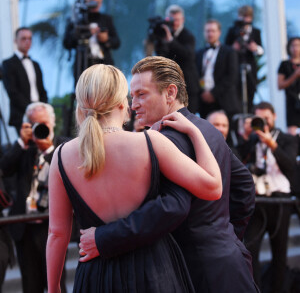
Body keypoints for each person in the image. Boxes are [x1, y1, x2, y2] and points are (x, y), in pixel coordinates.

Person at [78, 56, 258, 293]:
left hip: (193, 273)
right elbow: (244, 187)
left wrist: (104, 238)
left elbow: (171, 207)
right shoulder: (207, 129)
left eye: (142, 95)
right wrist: (226, 238)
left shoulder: (164, 140)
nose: (133, 105)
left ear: (170, 93)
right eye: (132, 97)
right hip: (230, 265)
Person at [46, 64, 222, 292]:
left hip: (95, 275)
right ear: (122, 103)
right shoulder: (151, 143)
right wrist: (195, 133)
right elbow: (213, 187)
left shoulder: (61, 156)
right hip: (152, 272)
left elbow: (57, 234)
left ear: (81, 105)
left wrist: (53, 288)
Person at [0, 102, 67, 293]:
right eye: (34, 124)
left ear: (52, 123)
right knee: (30, 286)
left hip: (52, 228)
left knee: (56, 285)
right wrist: (22, 142)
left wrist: (47, 150)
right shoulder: (24, 151)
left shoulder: (63, 146)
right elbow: (3, 169)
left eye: (43, 123)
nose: (40, 128)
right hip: (25, 229)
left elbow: (68, 170)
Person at [238, 101, 298, 293]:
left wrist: (271, 144)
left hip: (281, 200)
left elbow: (290, 166)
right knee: (251, 250)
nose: (263, 122)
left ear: (274, 117)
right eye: (259, 118)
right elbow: (238, 161)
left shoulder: (288, 139)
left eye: (266, 117)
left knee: (280, 253)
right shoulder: (253, 140)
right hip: (258, 200)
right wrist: (246, 137)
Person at [148, 4, 200, 114]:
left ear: (183, 19)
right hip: (170, 84)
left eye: (177, 20)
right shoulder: (163, 33)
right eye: (171, 20)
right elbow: (160, 56)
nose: (174, 23)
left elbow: (188, 55)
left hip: (187, 85)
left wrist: (171, 41)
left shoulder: (188, 36)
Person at [63, 0, 120, 82]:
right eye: (92, 1)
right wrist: (88, 32)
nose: (95, 4)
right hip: (82, 65)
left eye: (98, 2)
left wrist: (106, 40)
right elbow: (67, 43)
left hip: (103, 64)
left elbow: (117, 42)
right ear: (85, 2)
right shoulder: (76, 20)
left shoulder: (106, 19)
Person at [2, 27, 48, 133]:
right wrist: (31, 109)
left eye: (30, 39)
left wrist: (42, 107)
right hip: (21, 114)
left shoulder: (36, 64)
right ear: (15, 41)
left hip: (40, 113)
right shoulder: (8, 64)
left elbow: (42, 89)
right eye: (23, 38)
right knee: (27, 147)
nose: (27, 41)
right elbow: (12, 92)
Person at [196, 19, 240, 120]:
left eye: (213, 31)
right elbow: (196, 76)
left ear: (219, 33)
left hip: (224, 101)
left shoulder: (229, 52)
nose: (210, 34)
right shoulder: (199, 53)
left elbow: (231, 77)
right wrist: (203, 92)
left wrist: (213, 93)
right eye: (207, 31)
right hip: (204, 103)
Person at [225, 5, 264, 113]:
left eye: (246, 17)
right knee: (236, 93)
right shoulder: (233, 30)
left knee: (250, 91)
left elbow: (261, 51)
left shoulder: (256, 31)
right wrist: (233, 48)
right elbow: (225, 48)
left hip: (250, 67)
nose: (244, 19)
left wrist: (255, 48)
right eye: (242, 16)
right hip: (235, 66)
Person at [278, 37, 300, 136]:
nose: (295, 48)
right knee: (292, 133)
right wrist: (295, 75)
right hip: (292, 103)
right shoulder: (285, 65)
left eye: (298, 45)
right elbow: (280, 85)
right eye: (293, 45)